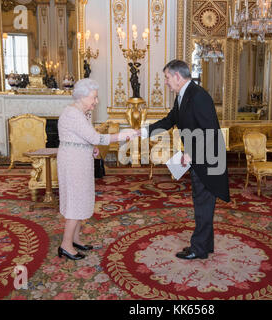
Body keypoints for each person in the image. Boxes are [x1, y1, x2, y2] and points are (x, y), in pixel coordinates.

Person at [139, 59, 230, 260]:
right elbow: (170, 120)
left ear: (178, 77)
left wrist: (192, 153)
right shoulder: (183, 96)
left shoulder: (199, 97)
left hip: (209, 161)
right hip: (199, 158)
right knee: (203, 203)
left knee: (203, 205)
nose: (165, 82)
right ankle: (206, 245)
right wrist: (144, 132)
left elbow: (210, 132)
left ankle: (198, 248)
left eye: (167, 77)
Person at [57, 78, 137, 260]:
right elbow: (95, 137)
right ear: (83, 96)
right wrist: (121, 135)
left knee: (81, 198)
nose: (96, 101)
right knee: (75, 201)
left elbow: (82, 137)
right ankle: (66, 245)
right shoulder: (73, 114)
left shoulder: (82, 113)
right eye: (94, 97)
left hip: (79, 158)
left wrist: (89, 146)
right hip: (72, 161)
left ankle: (75, 239)